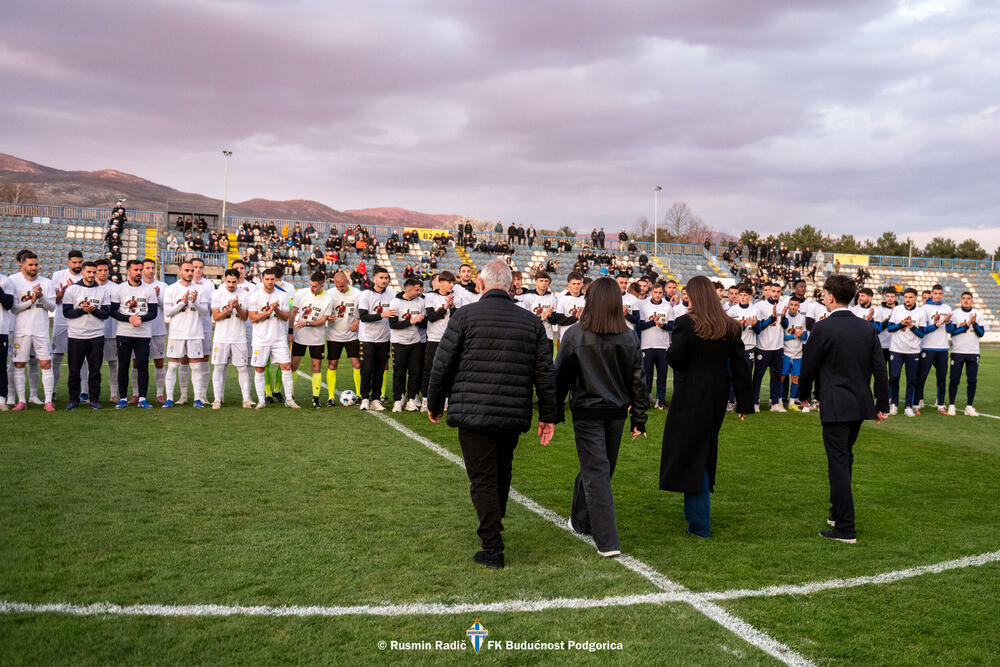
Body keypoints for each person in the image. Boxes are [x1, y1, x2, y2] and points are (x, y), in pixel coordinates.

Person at [427, 261, 557, 570]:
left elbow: (442, 364)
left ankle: (492, 544)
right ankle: (494, 525)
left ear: (481, 285)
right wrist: (548, 414)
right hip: (510, 411)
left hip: (474, 410)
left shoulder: (465, 316)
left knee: (484, 477)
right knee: (501, 469)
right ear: (511, 286)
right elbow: (545, 373)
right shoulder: (531, 322)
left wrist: (434, 403)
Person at [557, 277, 648, 557]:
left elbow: (638, 381)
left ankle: (583, 522)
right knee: (598, 469)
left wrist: (639, 418)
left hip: (608, 412)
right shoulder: (579, 334)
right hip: (595, 411)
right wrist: (553, 411)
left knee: (599, 469)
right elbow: (561, 377)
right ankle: (607, 540)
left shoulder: (624, 336)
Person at [659, 276, 753, 538]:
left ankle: (699, 523)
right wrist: (744, 403)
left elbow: (675, 358)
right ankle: (695, 516)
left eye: (688, 293)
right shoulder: (730, 325)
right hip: (717, 394)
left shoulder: (687, 323)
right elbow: (740, 366)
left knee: (693, 454)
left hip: (690, 394)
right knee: (703, 449)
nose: (686, 297)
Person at [798, 275, 890, 544]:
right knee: (844, 457)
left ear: (830, 297)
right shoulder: (866, 328)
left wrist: (803, 395)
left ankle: (845, 528)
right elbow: (880, 369)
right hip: (859, 404)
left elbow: (809, 366)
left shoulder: (823, 328)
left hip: (835, 403)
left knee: (838, 462)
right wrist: (882, 404)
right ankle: (837, 513)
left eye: (825, 294)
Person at [8, 251, 56, 411]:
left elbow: (52, 307)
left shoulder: (47, 283)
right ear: (22, 265)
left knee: (46, 363)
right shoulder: (13, 281)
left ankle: (48, 401)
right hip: (20, 331)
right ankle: (21, 401)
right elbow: (14, 308)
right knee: (19, 364)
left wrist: (41, 297)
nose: (34, 267)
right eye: (30, 265)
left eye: (36, 264)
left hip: (41, 330)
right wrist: (32, 300)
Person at [110, 259, 159, 409]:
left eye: (140, 270)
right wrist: (129, 319)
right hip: (124, 333)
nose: (139, 272)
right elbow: (113, 311)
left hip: (143, 334)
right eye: (135, 270)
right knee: (123, 366)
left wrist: (140, 319)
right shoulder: (119, 289)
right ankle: (123, 398)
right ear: (128, 271)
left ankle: (142, 398)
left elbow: (153, 312)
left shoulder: (149, 290)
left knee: (143, 366)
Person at [62, 261, 110, 409]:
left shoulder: (102, 291)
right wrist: (83, 310)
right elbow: (67, 312)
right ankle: (73, 400)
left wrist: (93, 310)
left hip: (96, 336)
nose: (92, 275)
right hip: (76, 336)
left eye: (94, 272)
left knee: (95, 371)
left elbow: (106, 314)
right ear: (82, 272)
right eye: (88, 272)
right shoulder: (72, 290)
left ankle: (94, 399)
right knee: (74, 371)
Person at [248, 268, 297, 409]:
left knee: (286, 367)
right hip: (260, 339)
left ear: (276, 280)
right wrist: (268, 312)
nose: (270, 282)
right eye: (267, 279)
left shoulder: (282, 295)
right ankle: (261, 400)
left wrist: (276, 310)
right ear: (262, 279)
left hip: (278, 338)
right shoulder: (255, 296)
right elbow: (253, 318)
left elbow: (286, 317)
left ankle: (289, 399)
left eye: (272, 279)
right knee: (259, 368)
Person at [288, 271, 334, 409]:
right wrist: (290, 331)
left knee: (316, 367)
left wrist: (306, 323)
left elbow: (322, 321)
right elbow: (293, 312)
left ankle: (316, 398)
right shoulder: (301, 293)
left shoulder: (328, 299)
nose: (311, 288)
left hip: (317, 339)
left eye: (315, 286)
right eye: (310, 285)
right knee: (293, 366)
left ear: (322, 285)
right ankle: (290, 396)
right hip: (299, 337)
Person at [210, 269, 254, 409]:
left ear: (238, 281)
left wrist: (237, 307)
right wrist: (229, 310)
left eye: (233, 282)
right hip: (221, 338)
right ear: (224, 279)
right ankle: (217, 399)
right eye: (228, 281)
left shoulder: (245, 294)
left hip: (239, 337)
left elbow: (245, 317)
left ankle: (246, 399)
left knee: (242, 368)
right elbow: (215, 317)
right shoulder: (217, 294)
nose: (230, 285)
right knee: (218, 367)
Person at [356, 267, 396, 411]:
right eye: (381, 278)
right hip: (367, 338)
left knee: (380, 371)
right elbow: (364, 317)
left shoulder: (391, 293)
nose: (384, 280)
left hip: (384, 338)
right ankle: (364, 398)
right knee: (366, 370)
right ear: (374, 279)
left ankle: (376, 399)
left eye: (386, 278)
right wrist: (382, 315)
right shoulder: (366, 294)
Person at [887, 288, 928, 417]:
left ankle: (908, 406)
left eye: (910, 297)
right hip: (896, 349)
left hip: (913, 351)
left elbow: (922, 333)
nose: (908, 300)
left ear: (915, 298)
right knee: (894, 377)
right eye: (906, 297)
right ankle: (894, 404)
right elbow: (889, 328)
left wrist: (911, 326)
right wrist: (901, 324)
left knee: (911, 380)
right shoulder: (897, 310)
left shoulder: (921, 312)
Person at [388, 277, 426, 412]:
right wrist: (411, 321)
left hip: (415, 342)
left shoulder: (421, 302)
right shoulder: (395, 303)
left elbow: (423, 323)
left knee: (415, 372)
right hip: (399, 342)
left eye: (420, 289)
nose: (419, 292)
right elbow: (393, 324)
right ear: (408, 289)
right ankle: (398, 400)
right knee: (399, 372)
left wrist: (421, 320)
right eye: (417, 290)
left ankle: (411, 400)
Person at [325, 270, 362, 405]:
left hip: (352, 335)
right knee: (332, 364)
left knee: (357, 364)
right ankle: (331, 397)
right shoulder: (329, 294)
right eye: (337, 286)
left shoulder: (357, 294)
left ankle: (359, 395)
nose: (340, 289)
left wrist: (358, 320)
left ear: (347, 281)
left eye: (342, 286)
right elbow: (324, 313)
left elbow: (362, 312)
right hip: (334, 335)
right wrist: (328, 317)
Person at [635, 282, 675, 409]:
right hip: (647, 345)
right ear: (651, 292)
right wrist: (653, 322)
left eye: (660, 293)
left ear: (663, 293)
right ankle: (645, 400)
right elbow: (640, 326)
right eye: (655, 292)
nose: (657, 295)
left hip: (663, 346)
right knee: (647, 375)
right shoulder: (644, 306)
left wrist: (663, 325)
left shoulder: (668, 307)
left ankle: (660, 401)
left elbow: (672, 326)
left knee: (662, 375)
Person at [50, 250, 85, 394]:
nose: (77, 265)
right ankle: (51, 391)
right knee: (57, 356)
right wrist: (62, 293)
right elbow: (54, 301)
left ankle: (84, 392)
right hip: (61, 321)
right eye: (74, 262)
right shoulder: (58, 275)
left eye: (80, 262)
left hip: (81, 322)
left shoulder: (86, 275)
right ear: (68, 262)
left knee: (83, 358)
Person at [915, 284, 952, 413]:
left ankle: (941, 405)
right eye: (935, 293)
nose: (937, 296)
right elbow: (923, 329)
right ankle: (917, 402)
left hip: (943, 348)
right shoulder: (924, 309)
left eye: (940, 293)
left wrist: (947, 322)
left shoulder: (947, 308)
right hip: (927, 347)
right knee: (922, 377)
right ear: (932, 294)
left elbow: (950, 330)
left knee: (942, 378)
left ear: (942, 294)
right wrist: (936, 323)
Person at [946, 291, 983, 416]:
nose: (966, 300)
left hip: (973, 352)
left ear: (972, 300)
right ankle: (952, 405)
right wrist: (967, 324)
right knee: (954, 380)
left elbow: (981, 333)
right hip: (958, 351)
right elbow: (952, 332)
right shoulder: (955, 314)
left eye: (968, 298)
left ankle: (969, 406)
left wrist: (974, 323)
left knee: (972, 380)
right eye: (964, 298)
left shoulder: (979, 314)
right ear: (960, 300)